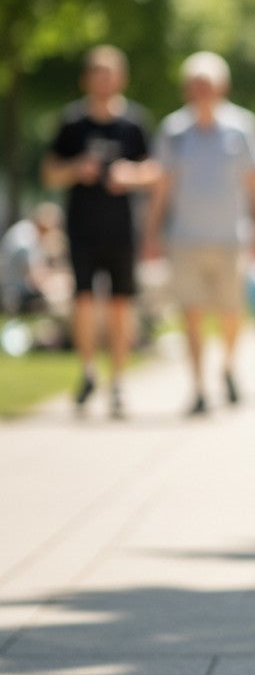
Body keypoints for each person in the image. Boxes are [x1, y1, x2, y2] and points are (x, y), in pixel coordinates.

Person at [144, 51, 255, 416]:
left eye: (208, 84)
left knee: (232, 312)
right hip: (184, 238)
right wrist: (150, 235)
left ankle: (228, 367)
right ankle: (198, 387)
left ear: (221, 87)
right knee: (192, 314)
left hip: (231, 239)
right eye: (195, 85)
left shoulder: (243, 127)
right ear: (187, 88)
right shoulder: (173, 131)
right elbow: (162, 187)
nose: (201, 91)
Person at [42, 46, 158, 418]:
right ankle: (88, 371)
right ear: (87, 79)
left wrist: (131, 175)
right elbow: (50, 171)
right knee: (83, 302)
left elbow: (154, 172)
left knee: (121, 305)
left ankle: (119, 383)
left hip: (122, 229)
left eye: (109, 73)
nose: (103, 79)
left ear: (120, 78)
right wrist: (76, 168)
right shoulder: (72, 122)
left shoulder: (135, 123)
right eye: (97, 72)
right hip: (81, 229)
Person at [0, 202, 65, 315]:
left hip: (11, 288)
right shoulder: (28, 238)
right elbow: (35, 279)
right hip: (14, 294)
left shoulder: (26, 229)